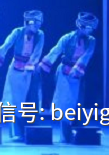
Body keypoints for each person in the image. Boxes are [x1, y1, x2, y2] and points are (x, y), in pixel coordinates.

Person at [39, 12, 98, 143]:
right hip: (64, 73)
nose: (89, 31)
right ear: (80, 26)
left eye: (91, 28)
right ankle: (65, 135)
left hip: (78, 75)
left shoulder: (91, 41)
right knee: (64, 103)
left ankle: (78, 134)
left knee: (77, 104)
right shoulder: (67, 38)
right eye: (87, 27)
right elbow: (56, 50)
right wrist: (44, 65)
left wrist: (76, 69)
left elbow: (86, 57)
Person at [0, 10, 45, 141]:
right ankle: (16, 132)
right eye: (34, 22)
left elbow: (37, 53)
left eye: (39, 22)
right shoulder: (17, 32)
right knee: (14, 102)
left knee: (32, 100)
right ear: (27, 22)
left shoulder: (40, 35)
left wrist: (30, 66)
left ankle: (33, 131)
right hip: (15, 70)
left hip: (30, 71)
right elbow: (6, 45)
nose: (37, 25)